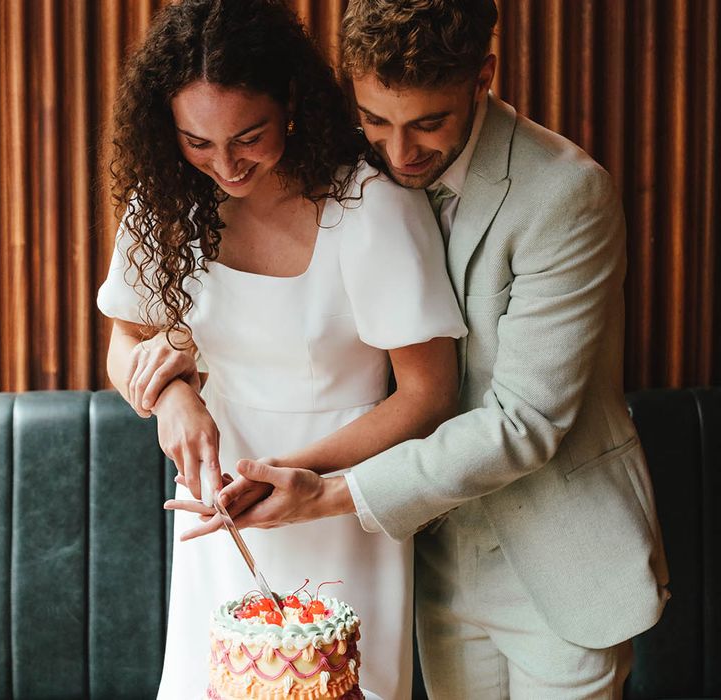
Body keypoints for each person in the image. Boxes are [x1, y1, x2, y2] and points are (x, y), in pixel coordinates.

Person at [176, 1, 671, 698]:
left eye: (429, 123)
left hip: (559, 561)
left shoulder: (567, 194)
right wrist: (169, 378)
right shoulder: (341, 164)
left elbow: (523, 423)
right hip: (427, 560)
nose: (398, 152)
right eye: (376, 119)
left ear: (483, 77)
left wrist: (328, 493)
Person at [96, 1, 467, 698]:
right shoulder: (169, 200)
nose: (225, 165)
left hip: (340, 499)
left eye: (248, 136)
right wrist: (170, 395)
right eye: (197, 142)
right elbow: (126, 340)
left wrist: (289, 474)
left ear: (291, 102)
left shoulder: (370, 205)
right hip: (217, 505)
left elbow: (429, 392)